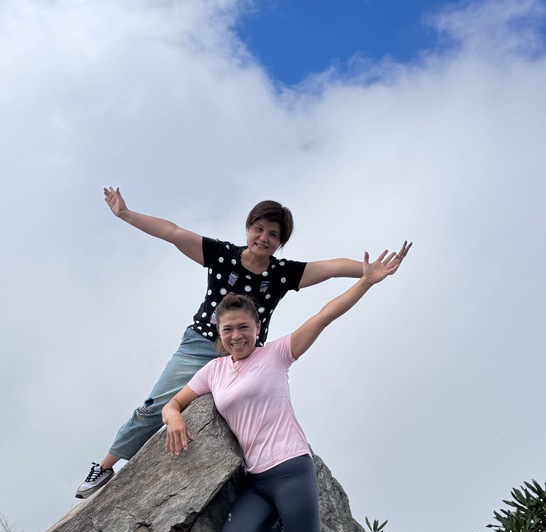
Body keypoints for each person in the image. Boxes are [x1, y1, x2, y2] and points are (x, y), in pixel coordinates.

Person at [161, 243, 411, 532]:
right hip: (257, 479)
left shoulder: (276, 354)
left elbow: (325, 314)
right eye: (228, 329)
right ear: (219, 333)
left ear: (257, 328)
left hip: (292, 467)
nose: (236, 335)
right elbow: (175, 401)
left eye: (243, 327)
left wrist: (364, 282)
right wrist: (173, 415)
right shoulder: (214, 371)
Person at [76, 187, 407, 498]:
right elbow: (173, 232)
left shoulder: (282, 273)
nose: (264, 237)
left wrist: (367, 272)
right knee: (155, 406)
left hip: (246, 357)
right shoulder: (222, 255)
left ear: (280, 242)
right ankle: (105, 466)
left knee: (254, 418)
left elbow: (331, 268)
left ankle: (262, 479)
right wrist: (126, 214)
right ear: (248, 228)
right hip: (200, 345)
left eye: (273, 234)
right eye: (259, 229)